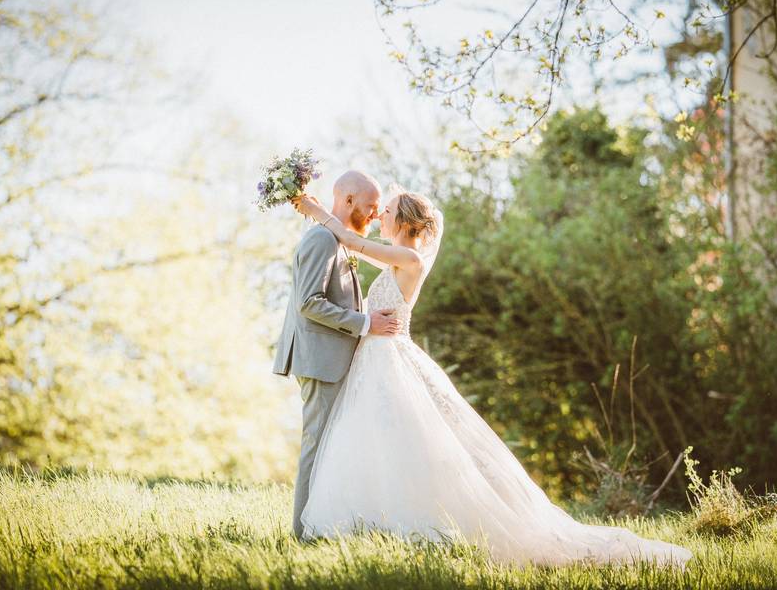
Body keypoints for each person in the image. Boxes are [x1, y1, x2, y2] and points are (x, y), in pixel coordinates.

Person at [289, 189, 693, 569]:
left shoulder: (409, 261)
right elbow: (353, 243)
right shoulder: (397, 257)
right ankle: (368, 520)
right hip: (374, 361)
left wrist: (313, 208)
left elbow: (350, 239)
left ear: (406, 222)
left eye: (388, 212)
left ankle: (413, 522)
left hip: (390, 360)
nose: (381, 216)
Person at [272, 170, 402, 539]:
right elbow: (308, 303)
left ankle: (326, 528)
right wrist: (365, 324)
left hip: (334, 360)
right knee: (317, 445)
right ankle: (302, 534)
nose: (375, 215)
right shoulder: (321, 239)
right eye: (370, 206)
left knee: (333, 446)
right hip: (320, 360)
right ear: (347, 201)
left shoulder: (340, 241)